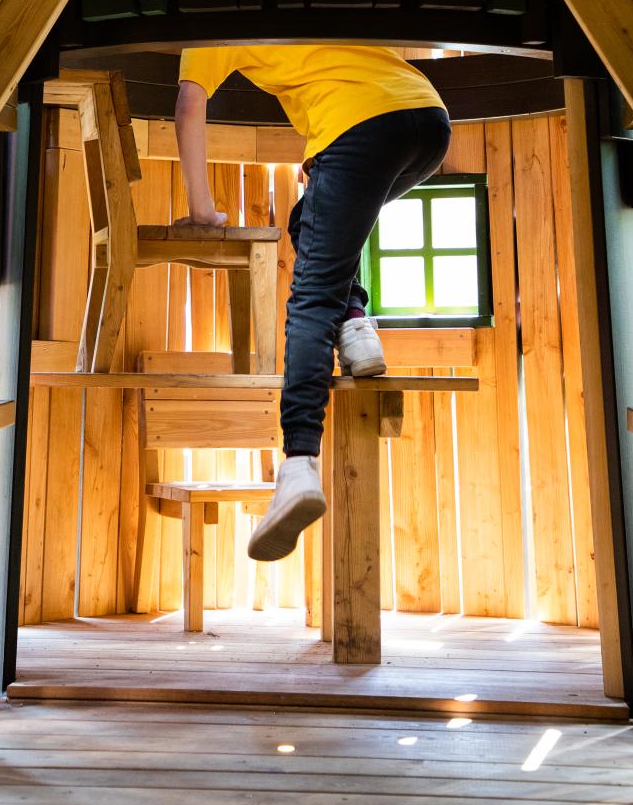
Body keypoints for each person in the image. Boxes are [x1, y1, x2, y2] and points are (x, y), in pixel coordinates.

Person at [174, 45, 451, 562]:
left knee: (310, 298)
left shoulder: (209, 19)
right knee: (312, 222)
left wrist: (201, 209)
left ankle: (299, 461)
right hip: (427, 119)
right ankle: (357, 328)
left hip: (357, 128)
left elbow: (189, 104)